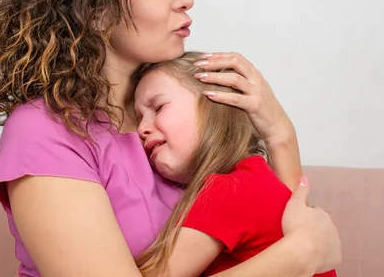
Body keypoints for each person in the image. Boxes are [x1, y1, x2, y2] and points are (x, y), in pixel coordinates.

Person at [0, 0, 341, 277]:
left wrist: (279, 130)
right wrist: (299, 255)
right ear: (94, 10)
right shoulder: (45, 131)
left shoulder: (181, 112)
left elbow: (268, 220)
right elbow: (299, 249)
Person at [132, 52, 338, 277]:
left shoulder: (231, 189)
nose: (142, 129)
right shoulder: (256, 178)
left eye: (159, 107)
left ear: (213, 104)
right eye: (139, 118)